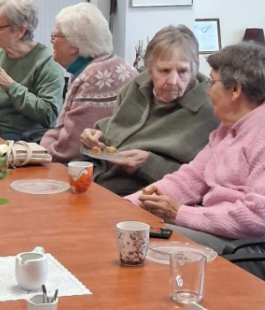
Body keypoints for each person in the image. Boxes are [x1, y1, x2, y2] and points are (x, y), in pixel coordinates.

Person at [125, 43, 265, 253]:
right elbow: (190, 179)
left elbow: (259, 219)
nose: (208, 91)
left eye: (212, 82)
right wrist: (123, 206)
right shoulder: (233, 125)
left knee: (146, 243)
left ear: (235, 89)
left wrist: (180, 214)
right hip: (227, 233)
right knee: (129, 232)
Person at [80, 25, 219, 196]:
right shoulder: (136, 88)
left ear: (194, 70)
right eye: (165, 71)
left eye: (183, 71)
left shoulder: (210, 109)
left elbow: (206, 178)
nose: (173, 80)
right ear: (150, 68)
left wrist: (149, 164)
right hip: (100, 177)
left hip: (145, 192)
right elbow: (116, 126)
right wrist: (95, 136)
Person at [39, 2, 135, 162]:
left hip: (99, 166)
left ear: (74, 45)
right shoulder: (96, 66)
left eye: (55, 36)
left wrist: (42, 149)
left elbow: (69, 150)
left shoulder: (94, 77)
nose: (52, 41)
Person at [0, 0, 65, 140]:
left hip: (25, 136)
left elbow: (49, 115)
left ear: (20, 31)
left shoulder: (47, 62)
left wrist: (9, 85)